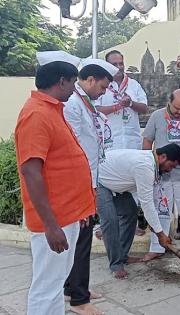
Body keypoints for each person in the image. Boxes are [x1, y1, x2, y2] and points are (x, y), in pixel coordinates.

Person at [15, 51, 96, 315]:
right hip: (54, 219)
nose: (75, 89)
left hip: (66, 214)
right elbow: (31, 172)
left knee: (55, 283)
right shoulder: (36, 114)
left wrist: (79, 211)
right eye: (73, 82)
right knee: (46, 286)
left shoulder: (51, 109)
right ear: (61, 81)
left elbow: (62, 164)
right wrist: (51, 226)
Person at [63, 58, 118, 315]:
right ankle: (79, 299)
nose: (104, 92)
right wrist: (86, 185)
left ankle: (71, 287)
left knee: (80, 238)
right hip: (80, 181)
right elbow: (72, 147)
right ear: (90, 80)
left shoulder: (87, 104)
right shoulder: (74, 105)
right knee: (82, 239)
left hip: (90, 178)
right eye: (103, 87)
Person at [97, 144, 180, 279]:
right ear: (162, 157)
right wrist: (161, 235)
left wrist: (156, 228)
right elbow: (147, 203)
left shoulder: (152, 165)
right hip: (99, 182)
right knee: (110, 220)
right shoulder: (145, 166)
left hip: (115, 185)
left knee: (130, 212)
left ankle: (122, 256)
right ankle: (116, 265)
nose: (169, 170)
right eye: (170, 166)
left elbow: (152, 201)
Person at [143, 89, 180, 257]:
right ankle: (157, 246)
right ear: (168, 102)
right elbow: (148, 139)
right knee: (161, 210)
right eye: (177, 108)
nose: (179, 112)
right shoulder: (157, 116)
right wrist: (148, 164)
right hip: (162, 174)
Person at [95, 50, 148, 150]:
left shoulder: (134, 84)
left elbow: (144, 109)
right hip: (109, 143)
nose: (119, 67)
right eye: (114, 64)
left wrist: (130, 103)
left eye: (121, 63)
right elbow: (95, 110)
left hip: (132, 143)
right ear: (107, 65)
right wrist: (117, 107)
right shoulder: (100, 85)